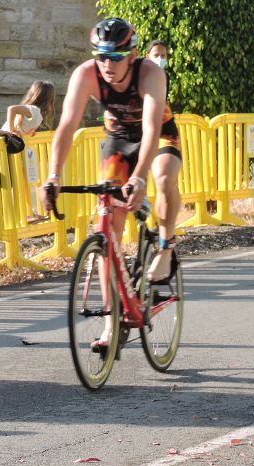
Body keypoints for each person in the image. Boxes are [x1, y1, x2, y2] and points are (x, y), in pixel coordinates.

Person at [42, 18, 182, 348]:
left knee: (163, 176)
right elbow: (65, 127)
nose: (108, 65)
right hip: (118, 139)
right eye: (102, 57)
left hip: (158, 135)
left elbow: (150, 129)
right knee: (108, 224)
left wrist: (138, 177)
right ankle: (111, 322)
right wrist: (53, 176)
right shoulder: (86, 74)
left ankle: (165, 246)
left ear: (131, 56)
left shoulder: (150, 74)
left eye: (116, 58)